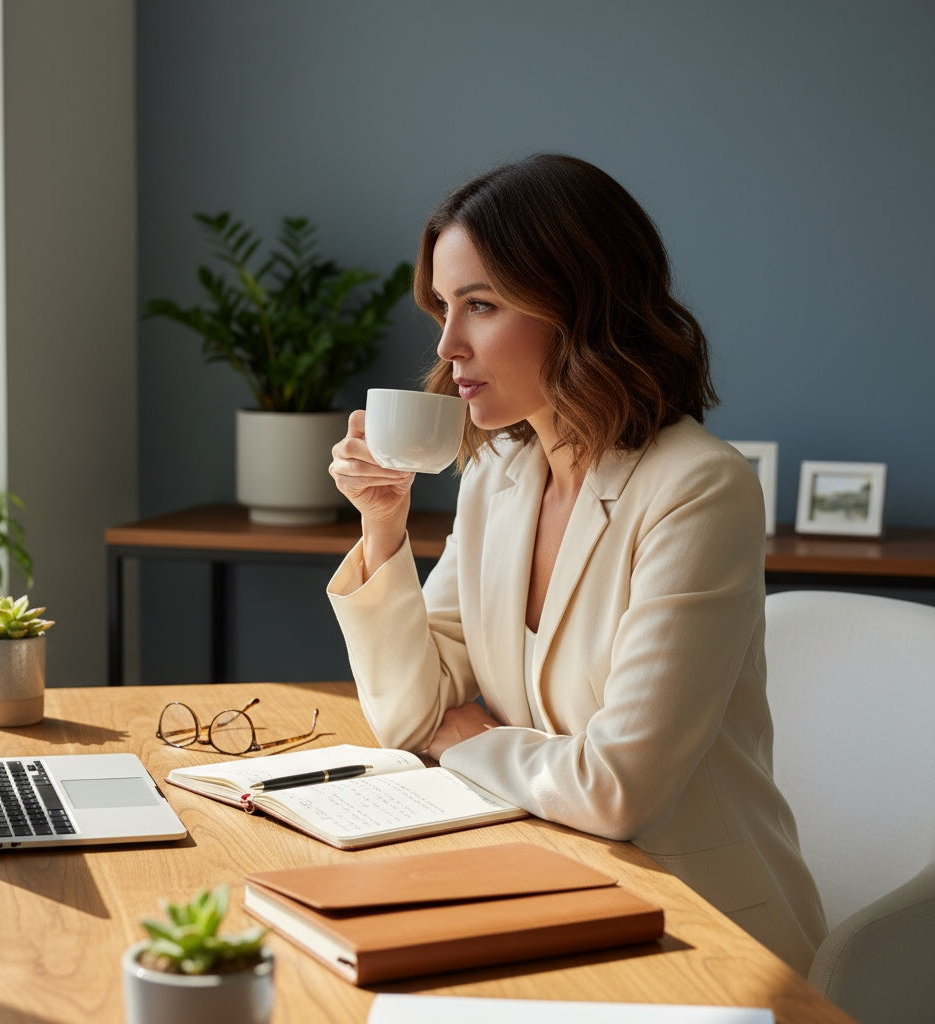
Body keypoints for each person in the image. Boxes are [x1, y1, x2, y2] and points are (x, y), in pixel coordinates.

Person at [326, 153, 827, 974]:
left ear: (581, 306)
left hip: (699, 929)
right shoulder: (497, 472)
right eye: (444, 309)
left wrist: (464, 741)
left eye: (480, 306)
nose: (449, 345)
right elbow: (412, 714)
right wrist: (383, 526)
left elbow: (616, 789)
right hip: (552, 888)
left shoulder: (699, 488)